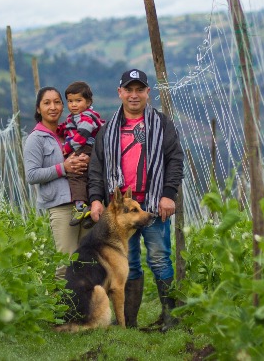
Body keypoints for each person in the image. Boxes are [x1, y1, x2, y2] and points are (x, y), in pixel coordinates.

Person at [87, 69, 184, 331]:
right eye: (128, 90)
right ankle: (128, 322)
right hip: (120, 214)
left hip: (152, 207)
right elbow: (97, 168)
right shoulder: (107, 130)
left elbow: (175, 160)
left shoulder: (162, 124)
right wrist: (95, 199)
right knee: (128, 265)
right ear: (120, 92)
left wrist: (168, 195)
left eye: (139, 89)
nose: (133, 95)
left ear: (147, 93)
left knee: (160, 259)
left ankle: (170, 318)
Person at [24, 86, 91, 266]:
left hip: (85, 204)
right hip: (61, 207)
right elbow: (31, 175)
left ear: (63, 106)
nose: (52, 107)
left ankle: (85, 295)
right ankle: (63, 295)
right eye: (47, 103)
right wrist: (63, 167)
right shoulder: (36, 138)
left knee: (87, 263)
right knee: (67, 264)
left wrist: (85, 160)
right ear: (39, 108)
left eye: (57, 102)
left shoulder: (68, 132)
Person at [58, 81, 105, 227]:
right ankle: (90, 209)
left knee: (75, 175)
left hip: (85, 147)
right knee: (86, 176)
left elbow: (83, 134)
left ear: (88, 101)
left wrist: (67, 147)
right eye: (70, 101)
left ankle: (79, 206)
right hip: (85, 147)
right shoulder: (76, 116)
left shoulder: (86, 116)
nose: (73, 105)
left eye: (78, 101)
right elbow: (66, 127)